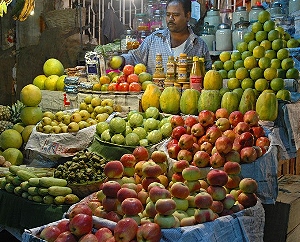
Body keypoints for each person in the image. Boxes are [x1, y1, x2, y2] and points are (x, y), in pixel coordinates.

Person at [119, 0, 212, 74]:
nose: (170, 19)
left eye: (176, 15)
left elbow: (207, 74)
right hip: (155, 95)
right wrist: (121, 60)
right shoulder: (154, 39)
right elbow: (135, 58)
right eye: (168, 15)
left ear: (187, 16)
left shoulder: (199, 45)